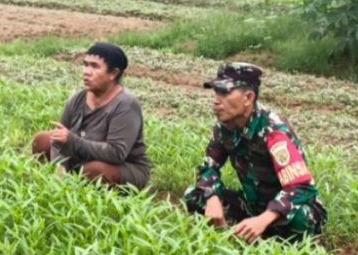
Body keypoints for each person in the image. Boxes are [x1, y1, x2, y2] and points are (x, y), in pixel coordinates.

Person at [183, 62, 326, 242]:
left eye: (225, 92)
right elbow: (208, 167)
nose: (216, 100)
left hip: (283, 211)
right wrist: (212, 197)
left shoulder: (274, 131)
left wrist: (264, 219)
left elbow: (301, 187)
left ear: (248, 97)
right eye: (216, 92)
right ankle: (243, 233)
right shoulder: (225, 127)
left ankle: (265, 235)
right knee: (194, 196)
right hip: (254, 205)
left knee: (300, 220)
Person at [32, 42, 152, 189]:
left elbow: (116, 153)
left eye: (94, 66)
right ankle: (53, 186)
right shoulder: (78, 98)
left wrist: (73, 141)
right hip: (83, 158)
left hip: (124, 167)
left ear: (113, 74)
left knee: (94, 171)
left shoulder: (126, 104)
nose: (86, 71)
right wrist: (60, 171)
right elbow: (60, 138)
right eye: (85, 65)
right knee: (42, 140)